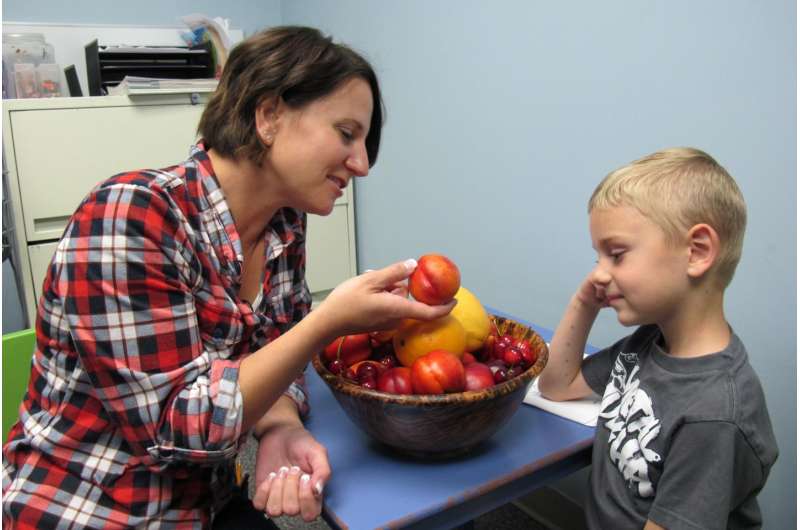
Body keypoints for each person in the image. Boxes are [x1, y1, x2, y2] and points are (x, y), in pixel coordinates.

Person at [2, 26, 454, 529]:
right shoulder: (132, 215)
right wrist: (328, 322)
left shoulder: (282, 224)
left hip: (205, 502)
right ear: (268, 115)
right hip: (86, 509)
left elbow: (273, 351)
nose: (363, 164)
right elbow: (176, 432)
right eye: (347, 134)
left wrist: (280, 426)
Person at [538, 147, 778, 529]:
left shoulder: (714, 414)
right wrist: (584, 302)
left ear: (697, 252)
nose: (599, 273)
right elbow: (556, 385)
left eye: (616, 255)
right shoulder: (648, 344)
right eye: (597, 258)